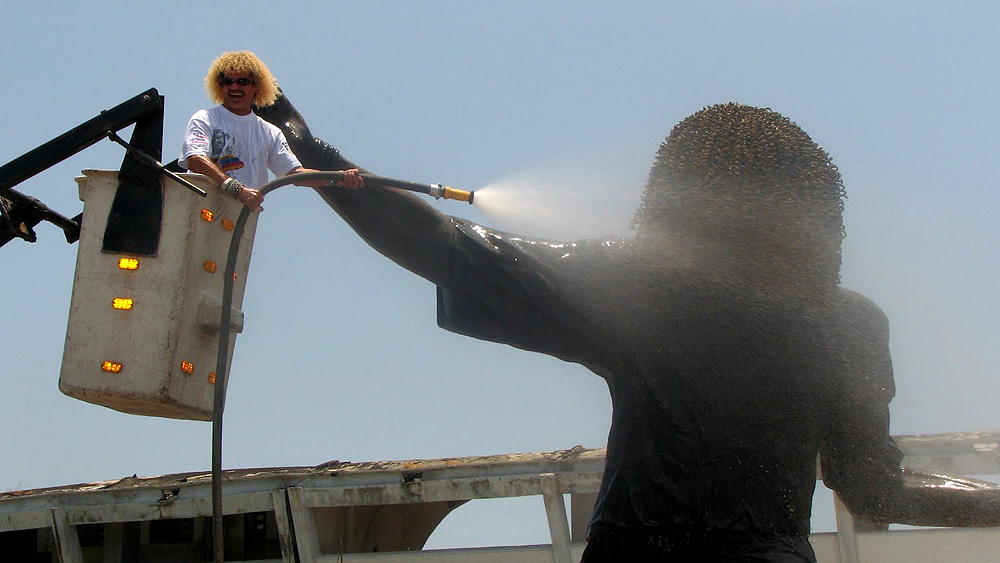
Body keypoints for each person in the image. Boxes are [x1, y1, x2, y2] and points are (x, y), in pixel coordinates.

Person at [258, 97, 1000, 562]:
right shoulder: (850, 324)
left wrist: (305, 145)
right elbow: (876, 489)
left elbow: (438, 245)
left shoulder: (646, 288)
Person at [178, 51, 361, 210]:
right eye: (227, 82)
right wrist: (236, 189)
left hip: (242, 219)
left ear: (256, 87)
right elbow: (195, 159)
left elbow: (295, 175)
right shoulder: (205, 119)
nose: (234, 87)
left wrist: (336, 178)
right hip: (201, 212)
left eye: (242, 82)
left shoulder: (269, 132)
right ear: (220, 86)